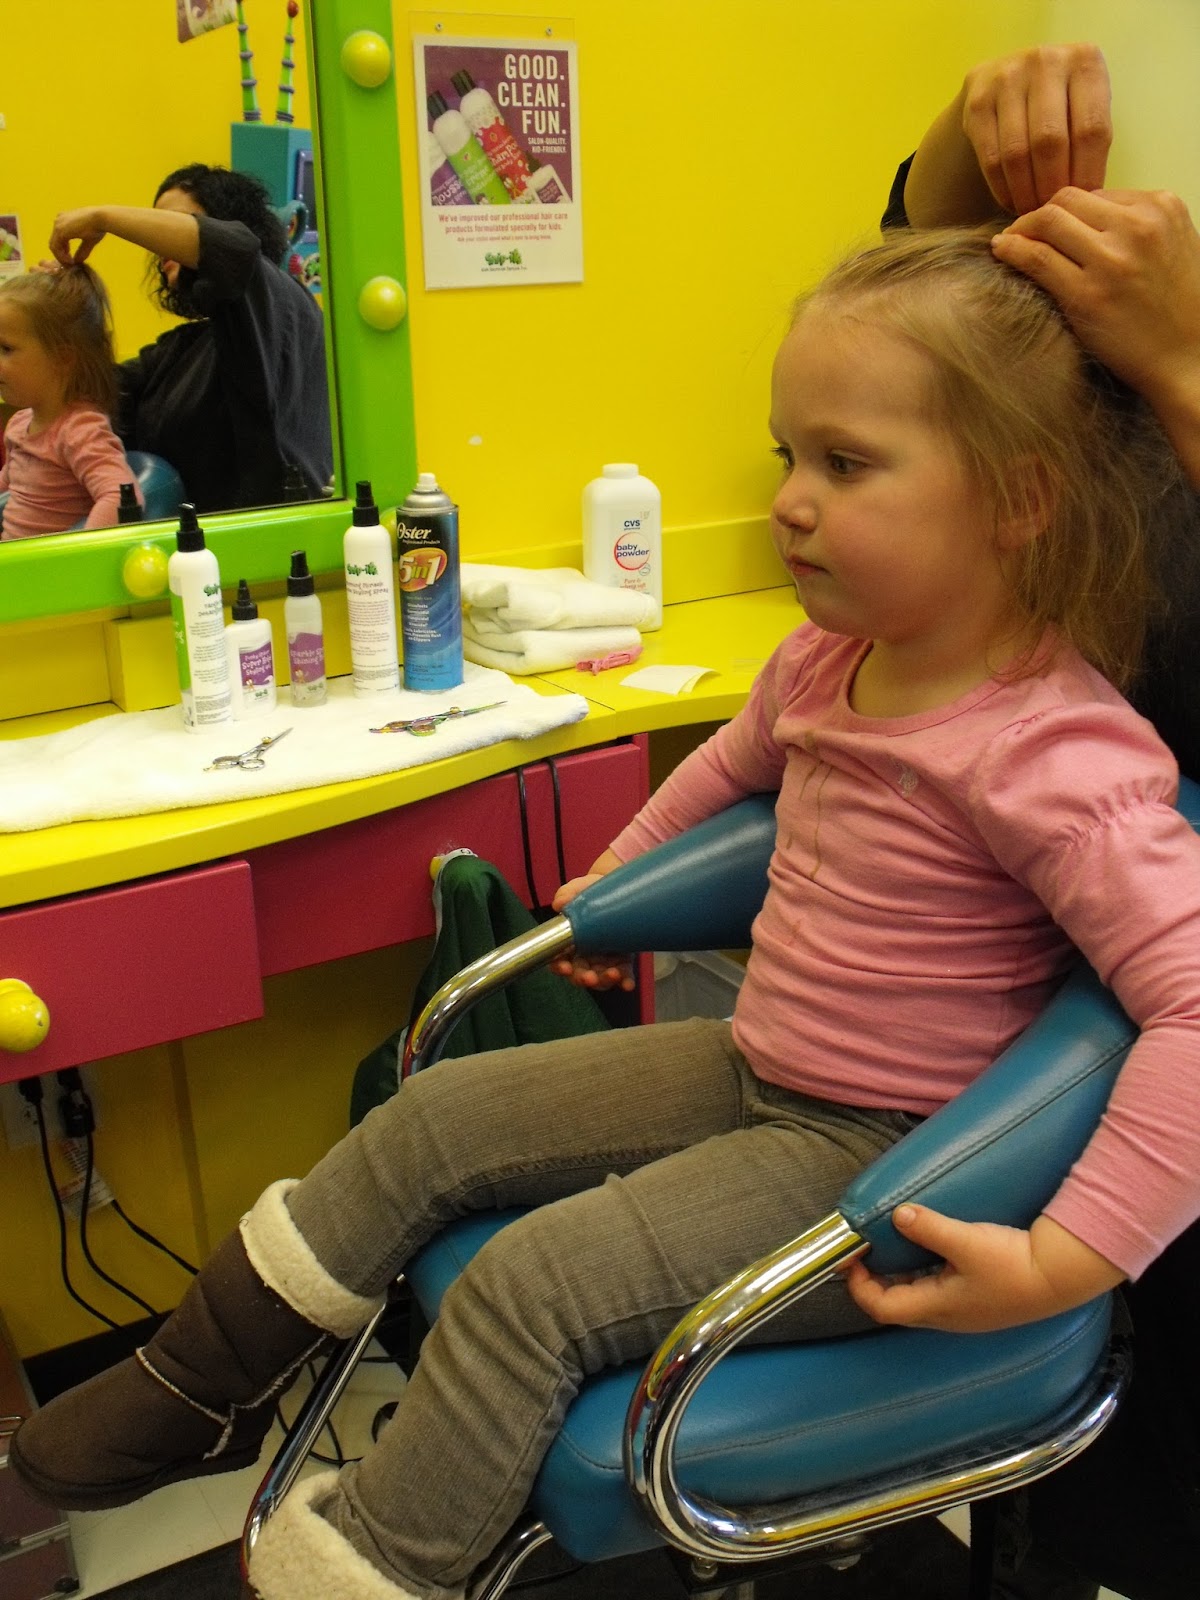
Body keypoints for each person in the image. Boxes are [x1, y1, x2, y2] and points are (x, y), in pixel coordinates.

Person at [10, 226, 1200, 1600]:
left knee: (532, 1288)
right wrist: (615, 881)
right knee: (429, 1121)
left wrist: (1069, 1257)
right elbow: (727, 767)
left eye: (846, 464)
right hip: (759, 1065)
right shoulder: (829, 660)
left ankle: (376, 1568)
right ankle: (197, 1386)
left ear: (1022, 499)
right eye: (787, 457)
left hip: (894, 1154)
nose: (790, 503)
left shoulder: (1055, 750)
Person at [888, 45, 1200, 1600]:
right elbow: (903, 301)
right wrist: (963, 147)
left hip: (1164, 1036)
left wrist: (1190, 368)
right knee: (1067, 1482)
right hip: (1046, 1007)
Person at [47, 163, 333, 514]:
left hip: (279, 536)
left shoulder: (282, 307)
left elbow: (234, 250)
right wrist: (59, 317)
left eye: (173, 221)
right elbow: (99, 393)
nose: (157, 243)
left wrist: (103, 218)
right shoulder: (181, 348)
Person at [0, 264, 141, 539]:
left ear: (62, 358)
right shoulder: (19, 423)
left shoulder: (79, 429)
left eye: (6, 349)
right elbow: (9, 481)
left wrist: (81, 552)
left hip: (52, 564)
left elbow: (122, 496)